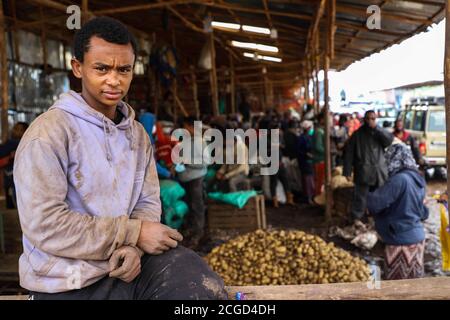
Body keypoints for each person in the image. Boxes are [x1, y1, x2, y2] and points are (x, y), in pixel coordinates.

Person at [14, 17, 227, 300]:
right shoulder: (49, 133)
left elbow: (147, 200)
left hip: (126, 267)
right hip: (64, 281)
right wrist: (134, 233)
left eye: (123, 69)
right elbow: (46, 225)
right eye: (101, 68)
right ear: (78, 67)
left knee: (196, 279)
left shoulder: (137, 134)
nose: (114, 80)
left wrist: (133, 248)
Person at [367, 143, 428, 280]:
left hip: (400, 241)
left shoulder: (399, 180)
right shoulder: (418, 179)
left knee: (396, 289)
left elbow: (375, 203)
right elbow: (424, 213)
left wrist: (366, 191)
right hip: (417, 239)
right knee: (414, 287)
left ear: (393, 159)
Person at [343, 110, 393, 221]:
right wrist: (347, 171)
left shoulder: (380, 133)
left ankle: (379, 220)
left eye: (373, 119)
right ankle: (357, 221)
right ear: (364, 120)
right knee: (360, 199)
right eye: (368, 118)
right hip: (363, 172)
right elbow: (349, 153)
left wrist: (377, 128)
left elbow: (389, 140)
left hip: (379, 172)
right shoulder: (357, 135)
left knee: (380, 198)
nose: (370, 121)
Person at [176, 116, 208, 248]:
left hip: (196, 178)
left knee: (197, 206)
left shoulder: (200, 142)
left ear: (191, 126)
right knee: (189, 205)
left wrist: (187, 161)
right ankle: (191, 229)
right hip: (187, 178)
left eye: (185, 127)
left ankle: (198, 233)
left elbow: (204, 162)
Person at [0, 122, 29, 208]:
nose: (16, 132)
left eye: (20, 130)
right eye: (15, 129)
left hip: (17, 181)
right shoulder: (11, 143)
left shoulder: (15, 143)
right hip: (11, 180)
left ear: (26, 131)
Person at [297, 120, 315, 204]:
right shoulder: (303, 138)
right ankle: (308, 197)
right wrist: (307, 154)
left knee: (308, 179)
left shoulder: (308, 137)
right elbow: (299, 151)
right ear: (307, 128)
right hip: (305, 161)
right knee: (308, 179)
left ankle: (309, 196)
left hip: (307, 161)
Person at [312, 112, 325, 196]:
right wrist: (327, 152)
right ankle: (318, 198)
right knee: (319, 181)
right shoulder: (319, 132)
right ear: (322, 120)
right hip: (319, 160)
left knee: (319, 180)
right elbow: (318, 146)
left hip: (320, 159)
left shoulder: (319, 130)